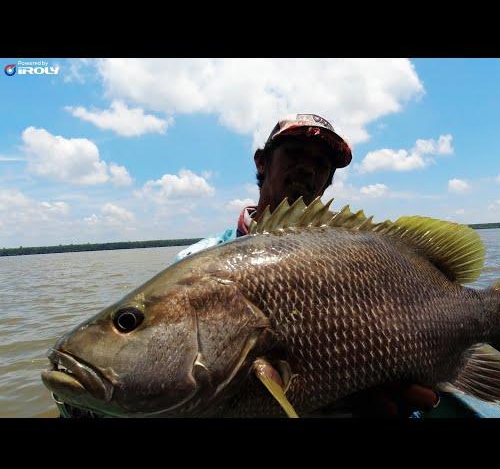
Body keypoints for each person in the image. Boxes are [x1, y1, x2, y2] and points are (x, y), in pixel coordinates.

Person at [175, 113, 439, 417]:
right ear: (262, 162)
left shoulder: (355, 253)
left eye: (321, 163)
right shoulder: (194, 266)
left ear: (327, 182)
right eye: (294, 153)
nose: (307, 167)